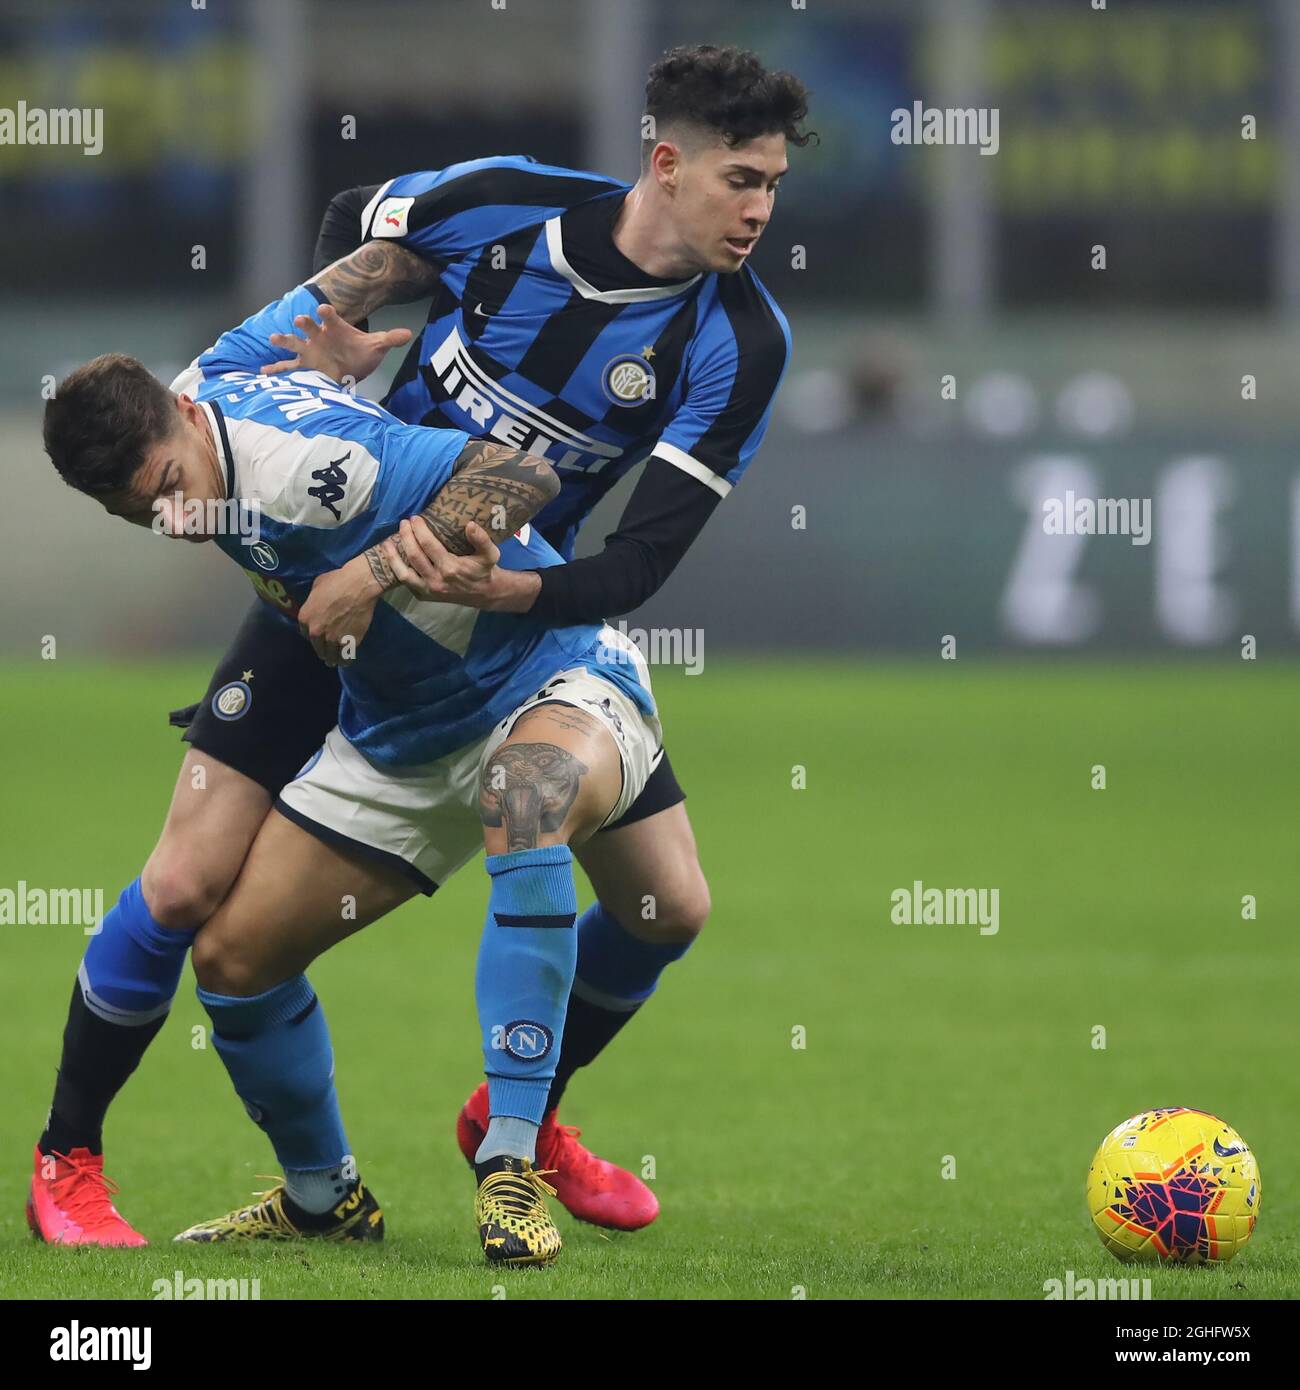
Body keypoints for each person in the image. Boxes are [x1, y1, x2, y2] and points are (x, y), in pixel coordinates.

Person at [34, 247, 662, 1266]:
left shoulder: (303, 470)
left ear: (188, 424)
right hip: (401, 726)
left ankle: (511, 1156)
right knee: (233, 960)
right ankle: (324, 1197)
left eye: (171, 489)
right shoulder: (211, 379)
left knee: (543, 812)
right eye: (142, 515)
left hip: (537, 681)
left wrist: (369, 567)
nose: (177, 520)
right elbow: (353, 272)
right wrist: (362, 291)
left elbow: (519, 474)